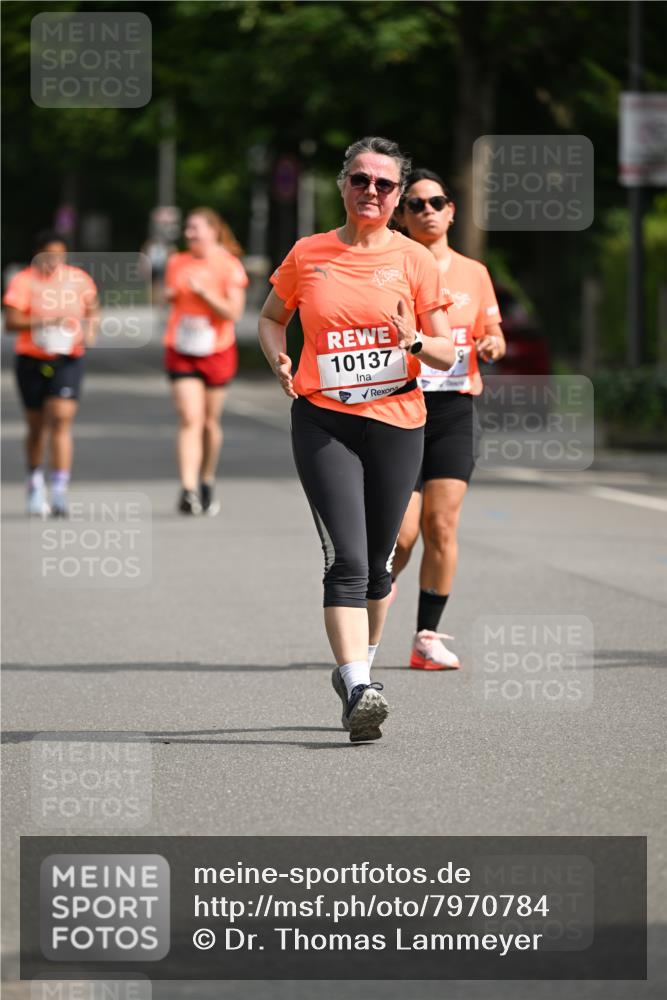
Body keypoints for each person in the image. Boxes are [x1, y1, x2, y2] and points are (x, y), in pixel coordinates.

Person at [258, 137, 455, 743]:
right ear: (343, 184)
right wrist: (278, 359)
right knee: (344, 559)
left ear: (397, 197)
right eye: (360, 180)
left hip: (398, 422)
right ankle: (358, 683)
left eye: (385, 185)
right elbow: (272, 317)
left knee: (378, 562)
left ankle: (360, 675)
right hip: (325, 419)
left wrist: (413, 341)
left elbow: (445, 353)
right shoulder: (308, 252)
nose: (371, 192)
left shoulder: (415, 260)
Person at [391, 169, 506, 669]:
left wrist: (492, 343)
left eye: (436, 201)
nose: (428, 210)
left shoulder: (474, 272)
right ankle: (378, 584)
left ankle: (427, 638)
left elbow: (493, 332)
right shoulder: (392, 268)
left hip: (455, 408)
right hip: (401, 405)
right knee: (403, 535)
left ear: (452, 209)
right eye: (416, 204)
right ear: (402, 216)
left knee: (441, 525)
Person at [3, 230, 99, 517]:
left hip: (67, 358)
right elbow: (10, 322)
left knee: (60, 419)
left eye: (59, 254)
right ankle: (34, 482)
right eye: (48, 254)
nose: (54, 261)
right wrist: (44, 321)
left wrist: (89, 333)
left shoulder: (79, 279)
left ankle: (59, 489)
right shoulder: (23, 281)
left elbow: (93, 309)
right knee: (36, 427)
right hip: (31, 360)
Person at [163, 207, 248, 515]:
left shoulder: (228, 265)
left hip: (217, 349)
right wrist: (170, 295)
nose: (189, 234)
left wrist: (204, 294)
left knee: (210, 423)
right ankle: (187, 489)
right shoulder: (177, 262)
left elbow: (233, 313)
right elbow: (167, 296)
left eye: (195, 228)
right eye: (187, 228)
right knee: (190, 418)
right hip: (181, 347)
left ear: (213, 231)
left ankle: (206, 479)